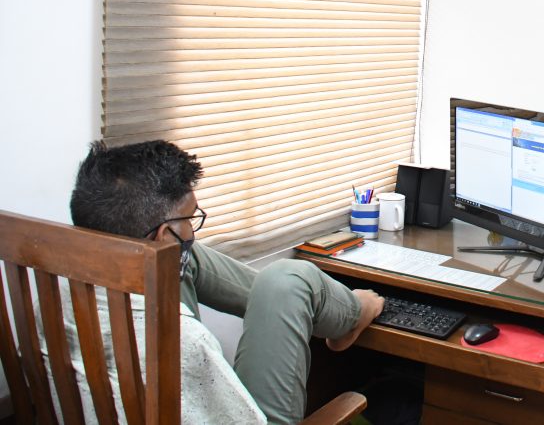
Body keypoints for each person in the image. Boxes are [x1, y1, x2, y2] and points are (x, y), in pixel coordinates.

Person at [63, 140, 384, 425]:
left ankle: (312, 305)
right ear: (161, 234)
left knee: (192, 258)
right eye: (190, 217)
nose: (192, 226)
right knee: (290, 278)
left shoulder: (56, 292)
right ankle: (351, 313)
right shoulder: (188, 339)